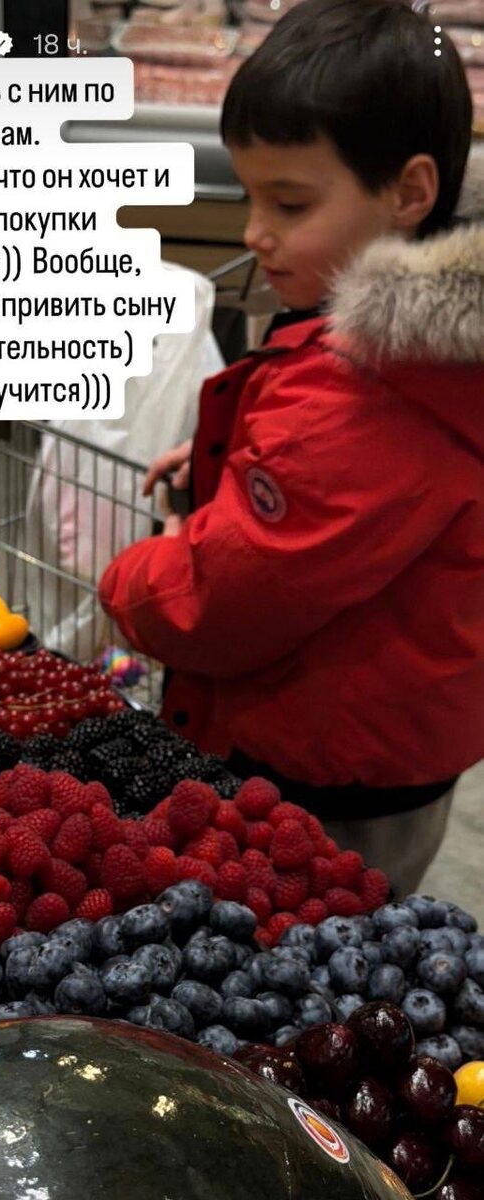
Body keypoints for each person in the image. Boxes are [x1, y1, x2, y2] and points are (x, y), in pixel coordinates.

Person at [99, 0, 484, 896]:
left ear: (409, 193)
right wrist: (225, 464)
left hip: (317, 779)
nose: (253, 231)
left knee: (289, 952)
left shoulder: (367, 390)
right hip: (393, 748)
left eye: (290, 202)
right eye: (250, 195)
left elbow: (221, 598)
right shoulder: (429, 352)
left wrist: (130, 579)